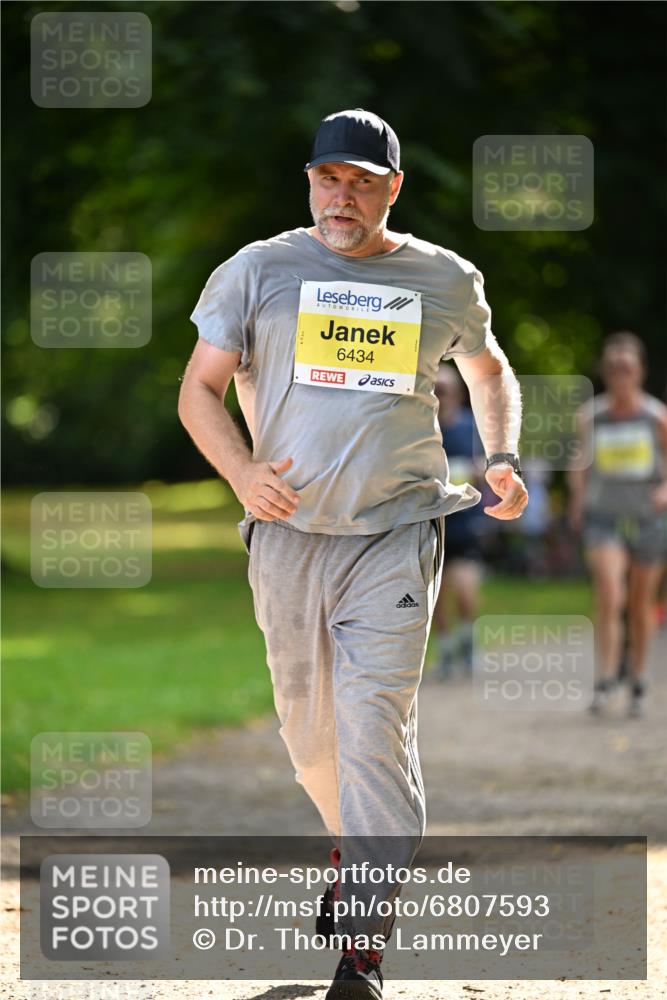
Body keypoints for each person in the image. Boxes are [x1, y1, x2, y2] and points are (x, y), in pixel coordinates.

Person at [179, 108, 528, 999]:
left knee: (374, 724)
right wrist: (241, 470)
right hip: (289, 537)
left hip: (397, 531)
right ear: (308, 182)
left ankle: (364, 946)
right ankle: (351, 849)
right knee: (309, 738)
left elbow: (487, 370)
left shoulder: (441, 278)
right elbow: (199, 392)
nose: (343, 196)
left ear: (392, 188)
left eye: (362, 181)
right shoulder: (257, 270)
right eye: (328, 179)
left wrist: (500, 456)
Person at [569, 331, 667, 719]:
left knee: (641, 603)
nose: (619, 374)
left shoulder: (656, 416)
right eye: (612, 368)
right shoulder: (591, 416)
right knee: (610, 595)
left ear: (640, 371)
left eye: (627, 367)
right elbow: (581, 463)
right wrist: (577, 500)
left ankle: (639, 680)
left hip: (648, 517)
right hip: (604, 517)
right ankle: (606, 680)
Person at [432, 364, 487, 679]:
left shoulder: (472, 428)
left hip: (466, 523)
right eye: (434, 390)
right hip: (432, 523)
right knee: (437, 595)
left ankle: (467, 645)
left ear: (458, 393)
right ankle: (446, 651)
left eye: (445, 390)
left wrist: (484, 470)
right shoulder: (421, 431)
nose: (440, 396)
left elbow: (493, 462)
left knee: (465, 592)